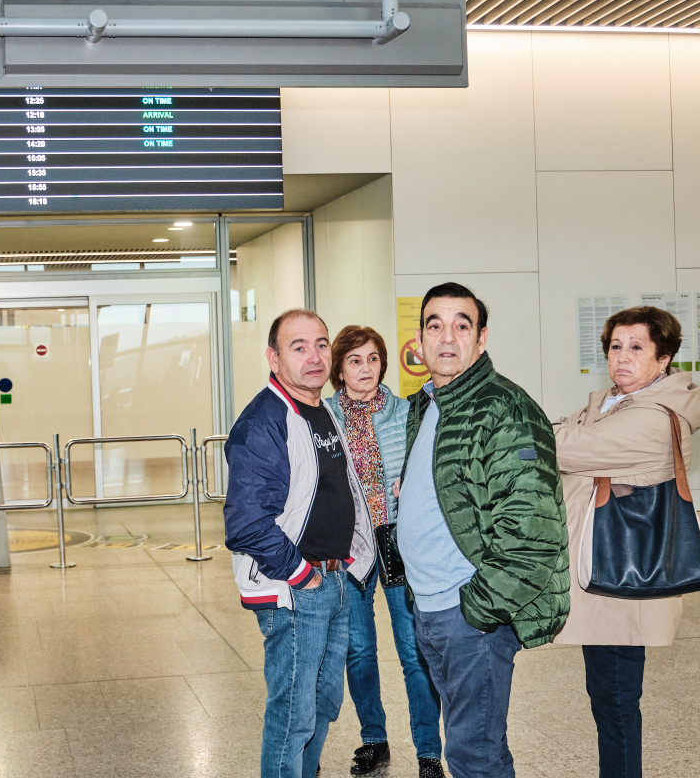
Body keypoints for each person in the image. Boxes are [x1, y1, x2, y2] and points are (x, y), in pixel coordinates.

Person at [395, 282, 569, 778]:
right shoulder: (428, 404)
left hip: (468, 616)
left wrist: (477, 609)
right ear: (420, 339)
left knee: (472, 755)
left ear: (482, 338)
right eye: (435, 324)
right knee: (481, 748)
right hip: (430, 608)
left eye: (461, 325)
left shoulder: (504, 408)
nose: (447, 337)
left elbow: (534, 535)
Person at [552, 306, 700, 778]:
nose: (622, 357)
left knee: (617, 707)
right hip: (598, 575)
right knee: (606, 702)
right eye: (615, 346)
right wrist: (574, 434)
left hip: (622, 584)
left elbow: (557, 445)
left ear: (663, 359)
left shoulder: (659, 417)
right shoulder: (609, 403)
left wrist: (573, 436)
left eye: (637, 347)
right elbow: (559, 434)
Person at [224, 308, 377, 778]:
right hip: (296, 589)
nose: (315, 357)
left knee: (325, 702)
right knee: (293, 715)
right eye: (299, 347)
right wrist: (302, 574)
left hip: (335, 579)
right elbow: (245, 522)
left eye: (322, 344)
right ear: (273, 358)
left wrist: (349, 560)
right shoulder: (263, 422)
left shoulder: (321, 409)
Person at [326, 325, 445, 778]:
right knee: (358, 651)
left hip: (397, 541)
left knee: (413, 650)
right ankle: (373, 740)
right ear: (340, 368)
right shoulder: (325, 417)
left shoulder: (405, 412)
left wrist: (410, 483)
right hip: (348, 547)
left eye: (373, 358)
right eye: (355, 360)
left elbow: (429, 463)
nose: (366, 368)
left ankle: (429, 752)